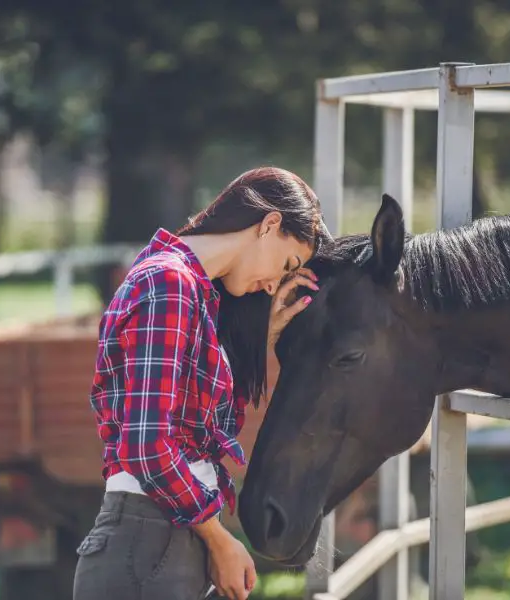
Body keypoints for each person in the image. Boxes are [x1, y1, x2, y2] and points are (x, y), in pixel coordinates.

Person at [73, 167, 332, 600]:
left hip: (160, 540)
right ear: (268, 224)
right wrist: (218, 539)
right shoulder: (169, 284)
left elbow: (190, 414)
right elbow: (148, 444)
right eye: (286, 264)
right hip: (148, 543)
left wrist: (262, 337)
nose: (274, 284)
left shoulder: (188, 289)